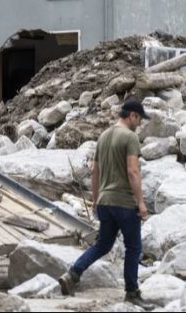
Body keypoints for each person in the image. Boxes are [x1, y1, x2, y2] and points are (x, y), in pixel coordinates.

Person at [59, 100, 149, 303]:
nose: (140, 124)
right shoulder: (130, 137)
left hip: (105, 202)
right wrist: (141, 203)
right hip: (124, 202)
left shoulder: (103, 137)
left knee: (103, 244)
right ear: (132, 115)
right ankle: (132, 292)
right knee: (133, 247)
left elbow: (94, 171)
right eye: (140, 119)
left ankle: (72, 274)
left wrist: (96, 199)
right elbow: (132, 171)